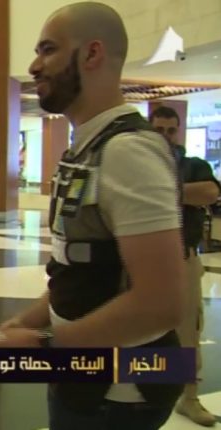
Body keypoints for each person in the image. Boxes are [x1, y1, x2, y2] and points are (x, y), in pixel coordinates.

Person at [0, 3, 187, 429]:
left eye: (48, 50)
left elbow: (161, 304)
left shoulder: (127, 152)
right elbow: (80, 273)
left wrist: (46, 344)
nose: (34, 66)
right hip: (82, 384)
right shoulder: (87, 149)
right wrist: (29, 321)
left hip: (118, 397)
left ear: (92, 54)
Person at [150, 105, 219, 427]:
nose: (165, 136)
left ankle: (188, 398)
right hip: (140, 259)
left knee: (187, 329)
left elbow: (208, 192)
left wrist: (159, 192)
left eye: (170, 130)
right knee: (138, 329)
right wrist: (180, 195)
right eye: (159, 130)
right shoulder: (136, 163)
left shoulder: (193, 165)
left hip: (183, 258)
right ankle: (141, 395)